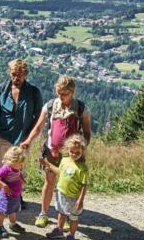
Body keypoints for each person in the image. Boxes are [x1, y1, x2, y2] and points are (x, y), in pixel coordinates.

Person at [21, 75, 92, 228]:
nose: (61, 96)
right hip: (51, 151)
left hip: (72, 155)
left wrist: (82, 150)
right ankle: (43, 214)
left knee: (69, 185)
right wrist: (28, 141)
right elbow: (39, 127)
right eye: (58, 93)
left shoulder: (81, 108)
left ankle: (66, 217)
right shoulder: (51, 106)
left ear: (72, 91)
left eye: (64, 93)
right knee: (50, 181)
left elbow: (87, 132)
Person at [0, 58, 42, 208]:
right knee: (0, 165)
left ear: (25, 74)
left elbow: (39, 115)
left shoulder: (33, 92)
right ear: (9, 72)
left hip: (23, 136)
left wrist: (30, 136)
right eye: (13, 74)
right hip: (3, 133)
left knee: (20, 167)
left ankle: (18, 195)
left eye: (19, 74)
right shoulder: (0, 90)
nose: (16, 77)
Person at [40, 135, 89, 240]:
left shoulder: (83, 168)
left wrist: (80, 199)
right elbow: (59, 172)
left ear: (82, 151)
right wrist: (47, 164)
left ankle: (71, 235)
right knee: (61, 213)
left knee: (73, 217)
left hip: (74, 197)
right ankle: (59, 230)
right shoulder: (65, 160)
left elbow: (84, 185)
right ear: (67, 149)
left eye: (77, 152)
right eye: (72, 151)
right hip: (61, 193)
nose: (74, 154)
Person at [0, 146, 27, 238]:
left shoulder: (17, 168)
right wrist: (4, 186)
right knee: (2, 211)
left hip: (15, 195)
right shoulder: (6, 168)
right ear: (12, 161)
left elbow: (18, 173)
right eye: (20, 164)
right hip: (6, 195)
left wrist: (22, 178)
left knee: (13, 210)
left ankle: (13, 224)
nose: (21, 166)